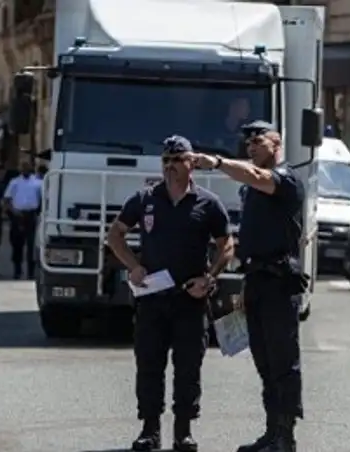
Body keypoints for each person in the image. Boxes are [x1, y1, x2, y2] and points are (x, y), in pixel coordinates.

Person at [107, 135, 234, 452]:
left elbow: (227, 245)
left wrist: (210, 277)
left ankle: (183, 431)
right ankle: (149, 430)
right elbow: (115, 235)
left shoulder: (207, 203)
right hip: (152, 299)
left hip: (190, 300)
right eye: (166, 160)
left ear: (192, 164)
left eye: (177, 160)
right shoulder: (145, 199)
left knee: (188, 367)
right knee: (149, 365)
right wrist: (134, 266)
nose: (170, 166)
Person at [191, 121, 307, 452]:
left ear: (276, 143)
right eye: (248, 143)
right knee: (264, 362)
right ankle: (272, 432)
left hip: (280, 282)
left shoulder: (285, 179)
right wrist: (244, 286)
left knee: (283, 362)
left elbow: (256, 176)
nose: (251, 147)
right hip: (256, 279)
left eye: (258, 141)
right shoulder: (251, 190)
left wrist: (217, 162)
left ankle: (285, 436)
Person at [3, 161, 42, 279]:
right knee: (17, 244)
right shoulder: (14, 182)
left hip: (31, 215)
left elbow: (43, 198)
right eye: (23, 168)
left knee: (31, 244)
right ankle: (17, 269)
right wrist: (13, 211)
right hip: (18, 215)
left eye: (27, 168)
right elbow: (7, 199)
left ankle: (31, 271)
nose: (25, 170)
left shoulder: (38, 182)